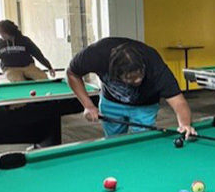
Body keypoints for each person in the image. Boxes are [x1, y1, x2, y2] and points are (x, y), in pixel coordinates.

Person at [67, 37, 196, 138]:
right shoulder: (96, 55)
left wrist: (185, 124)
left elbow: (179, 102)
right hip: (112, 103)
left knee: (143, 143)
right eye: (130, 79)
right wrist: (88, 105)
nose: (138, 80)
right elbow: (72, 73)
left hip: (145, 105)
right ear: (116, 74)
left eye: (140, 75)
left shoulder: (154, 65)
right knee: (114, 142)